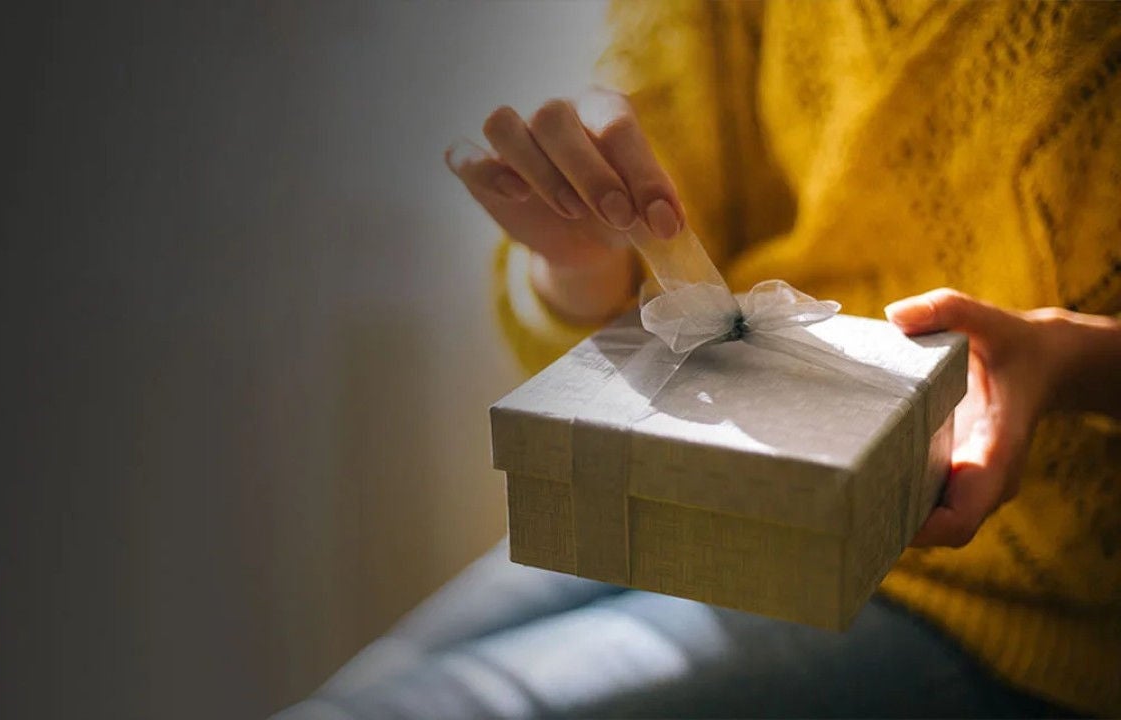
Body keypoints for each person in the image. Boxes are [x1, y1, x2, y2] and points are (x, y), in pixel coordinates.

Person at [278, 2, 1120, 717]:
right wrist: (580, 259)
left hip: (1017, 601)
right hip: (710, 483)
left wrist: (1067, 361)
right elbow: (646, 276)